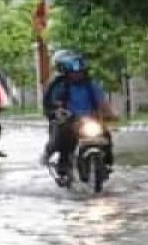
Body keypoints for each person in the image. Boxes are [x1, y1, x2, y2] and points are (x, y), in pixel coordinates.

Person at [41, 51, 115, 179]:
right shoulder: (59, 86)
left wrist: (111, 114)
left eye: (80, 71)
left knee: (106, 136)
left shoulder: (91, 85)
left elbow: (102, 102)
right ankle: (62, 165)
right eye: (74, 72)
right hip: (70, 121)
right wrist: (58, 112)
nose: (77, 74)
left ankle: (107, 163)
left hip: (90, 120)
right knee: (63, 136)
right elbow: (53, 105)